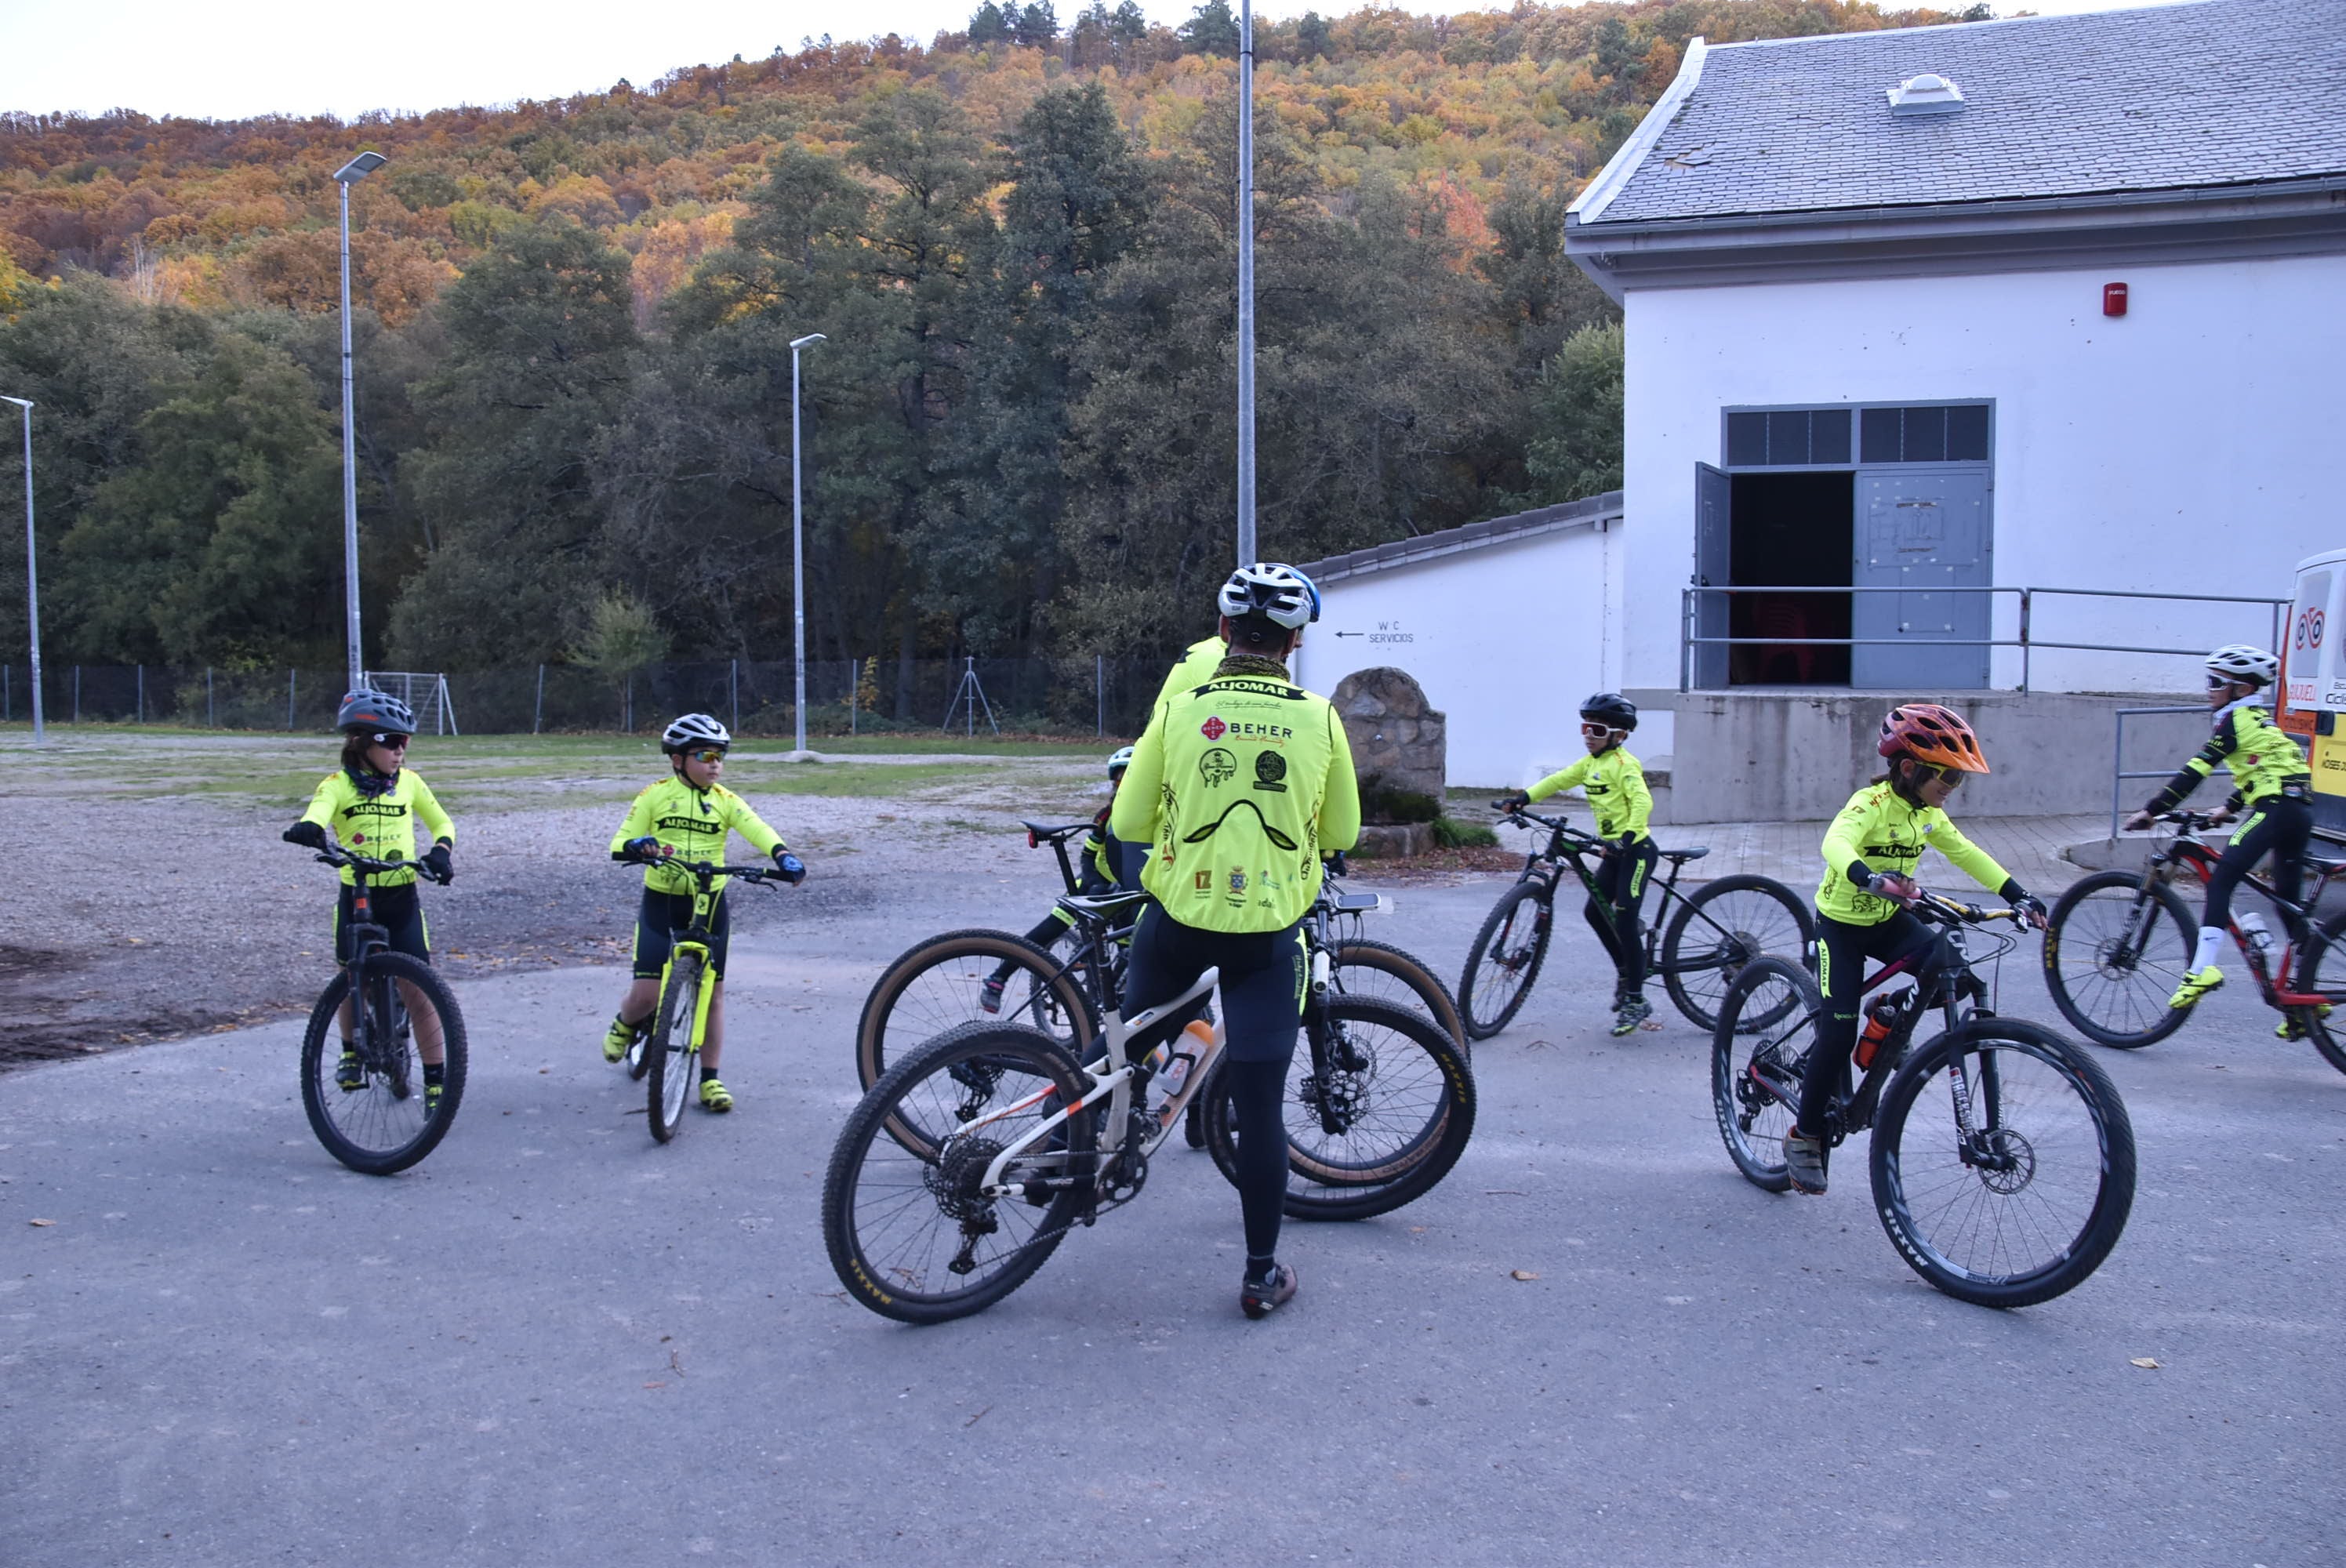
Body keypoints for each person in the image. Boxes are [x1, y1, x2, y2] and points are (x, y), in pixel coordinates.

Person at [1110, 562, 1360, 1318]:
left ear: (1224, 631)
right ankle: (1259, 1276)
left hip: (1177, 919)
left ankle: (1087, 1150)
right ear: (1294, 642)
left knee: (1123, 1051)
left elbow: (1128, 821)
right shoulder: (1319, 717)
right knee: (1259, 1109)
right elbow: (1343, 831)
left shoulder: (1180, 709)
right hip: (1267, 935)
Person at [1785, 703, 2046, 1196]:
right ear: (1909, 767)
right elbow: (1835, 844)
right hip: (1840, 928)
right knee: (1837, 1037)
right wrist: (1868, 877)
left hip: (1887, 921)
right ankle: (1805, 1135)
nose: (1953, 786)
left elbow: (1966, 852)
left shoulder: (1928, 815)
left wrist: (2019, 895)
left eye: (1958, 778)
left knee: (1957, 978)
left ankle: (1887, 1015)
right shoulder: (1870, 803)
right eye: (1948, 775)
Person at [602, 713, 805, 1113]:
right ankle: (626, 1024)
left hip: (710, 904)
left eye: (720, 756)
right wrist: (636, 846)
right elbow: (620, 841)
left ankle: (710, 1078)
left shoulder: (726, 801)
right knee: (646, 994)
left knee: (712, 996)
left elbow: (757, 828)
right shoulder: (655, 796)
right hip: (662, 901)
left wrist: (783, 855)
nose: (715, 764)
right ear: (678, 760)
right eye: (705, 755)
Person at [281, 689, 458, 1115]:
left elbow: (442, 822)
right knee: (351, 977)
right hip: (357, 892)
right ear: (361, 741)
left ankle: (436, 1079)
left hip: (401, 894)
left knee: (418, 989)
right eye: (391, 741)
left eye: (405, 742)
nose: (400, 751)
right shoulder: (337, 785)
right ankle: (350, 1051)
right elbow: (318, 811)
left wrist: (441, 851)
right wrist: (309, 827)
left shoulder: (410, 783)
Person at [2123, 644, 2312, 1015]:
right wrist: (2228, 808)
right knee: (2288, 905)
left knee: (2222, 878)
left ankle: (2202, 969)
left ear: (2242, 689)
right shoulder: (2260, 719)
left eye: (2215, 682)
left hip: (2275, 808)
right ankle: (2305, 1002)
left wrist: (2152, 811)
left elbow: (2195, 771)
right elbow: (2266, 768)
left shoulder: (2234, 721)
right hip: (2298, 810)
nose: (2207, 689)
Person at [1498, 691, 1658, 1036]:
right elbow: (1559, 780)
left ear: (1619, 735)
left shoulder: (1624, 764)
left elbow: (1642, 802)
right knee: (1594, 912)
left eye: (1597, 730)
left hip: (1635, 851)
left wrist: (1627, 838)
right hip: (1611, 851)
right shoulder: (1590, 764)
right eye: (1585, 728)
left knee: (1625, 920)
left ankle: (1636, 998)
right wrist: (1523, 798)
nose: (1588, 736)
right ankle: (1626, 970)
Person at [980, 746, 1133, 1014]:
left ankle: (1110, 1002)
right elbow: (1087, 855)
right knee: (1054, 925)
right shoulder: (1108, 815)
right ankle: (998, 978)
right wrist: (1094, 881)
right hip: (1097, 882)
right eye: (1121, 779)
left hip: (1130, 889)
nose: (1128, 784)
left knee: (1129, 951)